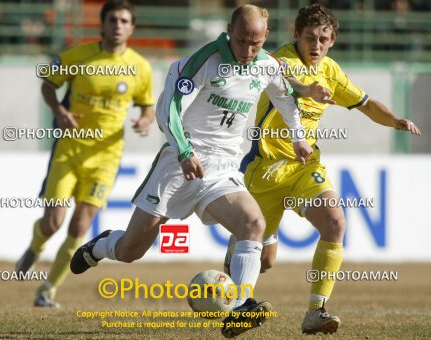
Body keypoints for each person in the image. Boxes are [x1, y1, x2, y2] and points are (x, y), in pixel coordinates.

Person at [69, 5, 334, 339]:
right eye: (241, 41)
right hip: (180, 165)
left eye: (255, 43)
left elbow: (284, 96)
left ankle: (239, 306)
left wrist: (298, 137)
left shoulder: (266, 64)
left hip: (223, 168)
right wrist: (184, 152)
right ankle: (101, 247)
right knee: (130, 252)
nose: (248, 51)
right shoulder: (202, 62)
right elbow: (168, 110)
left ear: (265, 37)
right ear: (228, 31)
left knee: (252, 224)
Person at [223, 3, 421, 335]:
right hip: (266, 171)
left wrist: (395, 120)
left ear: (332, 41)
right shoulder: (279, 61)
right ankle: (232, 297)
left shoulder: (330, 69)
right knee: (263, 260)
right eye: (310, 37)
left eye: (324, 39)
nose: (316, 46)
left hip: (303, 167)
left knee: (334, 221)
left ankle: (316, 310)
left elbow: (365, 103)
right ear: (296, 35)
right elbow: (289, 80)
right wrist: (307, 89)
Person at [15, 0, 155, 308]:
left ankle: (48, 289)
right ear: (102, 25)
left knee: (79, 227)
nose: (118, 26)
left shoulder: (140, 68)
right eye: (113, 20)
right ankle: (36, 246)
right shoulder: (77, 57)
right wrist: (60, 111)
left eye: (124, 21)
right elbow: (48, 84)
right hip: (69, 150)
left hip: (106, 158)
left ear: (131, 27)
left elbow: (147, 105)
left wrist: (145, 119)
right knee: (53, 222)